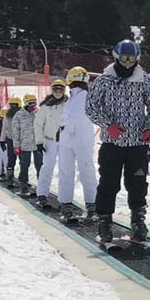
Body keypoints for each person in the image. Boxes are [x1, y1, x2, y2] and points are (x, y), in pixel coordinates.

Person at [87, 39, 150, 244]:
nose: (128, 63)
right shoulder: (104, 80)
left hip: (137, 145)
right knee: (108, 183)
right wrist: (108, 125)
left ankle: (138, 222)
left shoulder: (143, 80)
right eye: (124, 59)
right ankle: (105, 222)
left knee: (138, 183)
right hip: (112, 144)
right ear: (116, 57)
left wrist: (148, 127)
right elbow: (90, 107)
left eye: (132, 59)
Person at [56, 66, 98, 223]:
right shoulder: (74, 97)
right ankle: (90, 204)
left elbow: (72, 118)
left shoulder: (83, 96)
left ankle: (73, 205)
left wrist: (62, 128)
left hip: (75, 138)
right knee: (84, 170)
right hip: (78, 139)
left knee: (71, 171)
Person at [34, 80, 69, 210]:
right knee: (47, 167)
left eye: (60, 90)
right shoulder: (46, 106)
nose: (58, 92)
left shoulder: (69, 105)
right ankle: (42, 194)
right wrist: (39, 142)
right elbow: (38, 124)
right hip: (50, 140)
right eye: (55, 90)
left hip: (65, 141)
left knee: (65, 169)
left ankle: (64, 198)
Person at [6, 93, 38, 196]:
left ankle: (41, 187)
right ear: (25, 104)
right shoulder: (19, 115)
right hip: (24, 145)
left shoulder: (39, 113)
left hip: (38, 144)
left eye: (34, 103)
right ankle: (23, 185)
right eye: (30, 103)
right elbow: (15, 132)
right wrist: (16, 145)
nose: (33, 105)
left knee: (40, 165)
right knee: (24, 165)